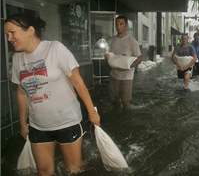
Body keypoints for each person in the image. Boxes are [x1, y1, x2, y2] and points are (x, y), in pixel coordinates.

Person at [4, 13, 100, 175]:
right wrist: (22, 123)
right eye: (6, 34)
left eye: (12, 32)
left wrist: (92, 112)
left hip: (67, 122)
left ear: (30, 31)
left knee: (74, 169)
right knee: (43, 171)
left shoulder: (55, 48)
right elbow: (21, 93)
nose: (9, 38)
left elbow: (77, 81)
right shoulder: (17, 59)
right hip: (38, 125)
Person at [105, 15, 142, 111]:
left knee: (126, 103)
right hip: (113, 75)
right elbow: (108, 56)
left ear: (126, 26)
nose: (118, 27)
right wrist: (107, 58)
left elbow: (139, 58)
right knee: (113, 101)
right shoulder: (111, 41)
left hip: (127, 77)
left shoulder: (132, 41)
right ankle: (117, 121)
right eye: (116, 24)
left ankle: (127, 122)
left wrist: (128, 66)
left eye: (121, 24)